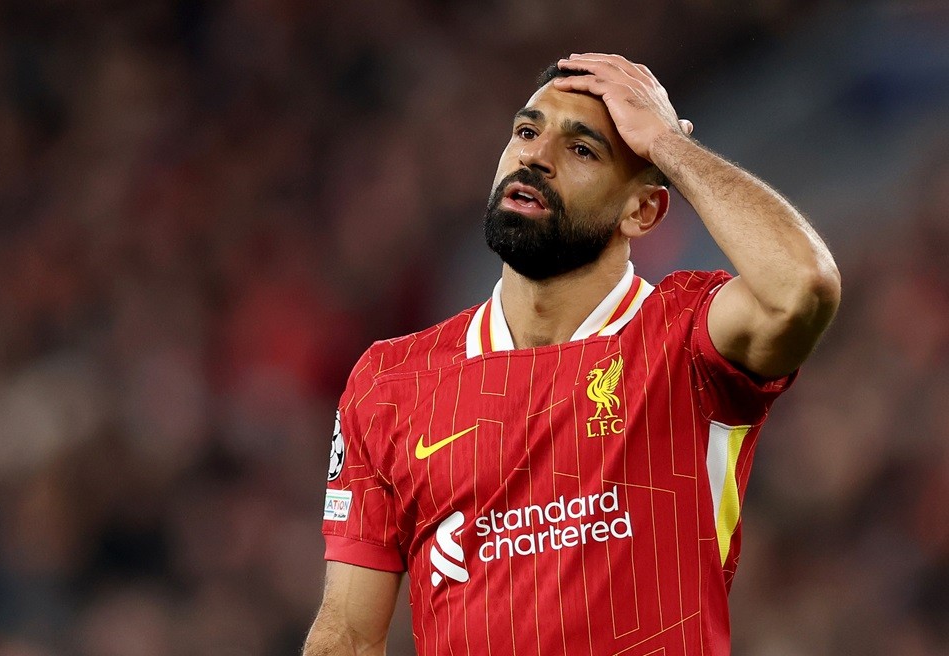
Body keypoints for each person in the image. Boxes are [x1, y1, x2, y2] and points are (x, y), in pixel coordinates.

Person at [303, 53, 840, 656]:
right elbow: (347, 634)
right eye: (527, 132)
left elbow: (802, 288)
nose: (536, 156)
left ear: (643, 211)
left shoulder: (685, 336)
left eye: (583, 150)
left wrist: (666, 145)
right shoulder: (391, 381)